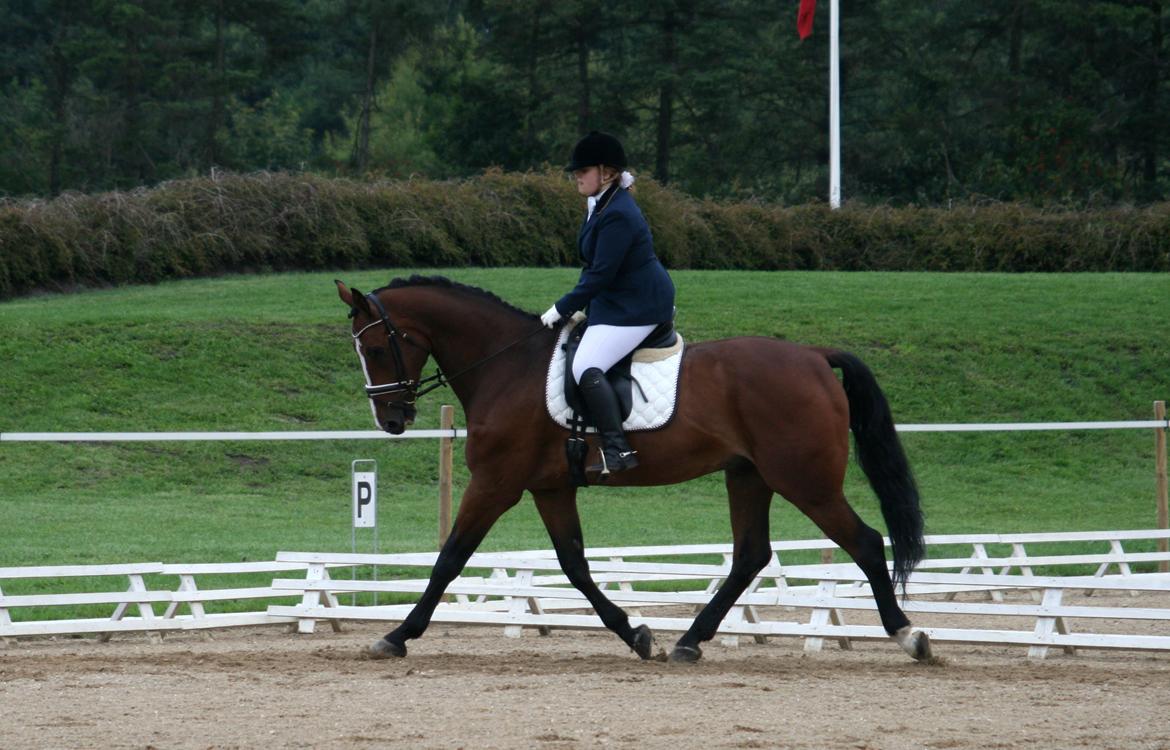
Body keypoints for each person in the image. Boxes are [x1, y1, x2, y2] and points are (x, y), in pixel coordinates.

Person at [540, 131, 676, 476]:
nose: (577, 175)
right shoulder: (602, 204)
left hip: (639, 307)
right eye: (576, 170)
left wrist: (562, 307)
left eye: (583, 170)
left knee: (585, 366)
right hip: (617, 301)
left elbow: (599, 273)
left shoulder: (618, 213)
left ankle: (618, 449)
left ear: (608, 173)